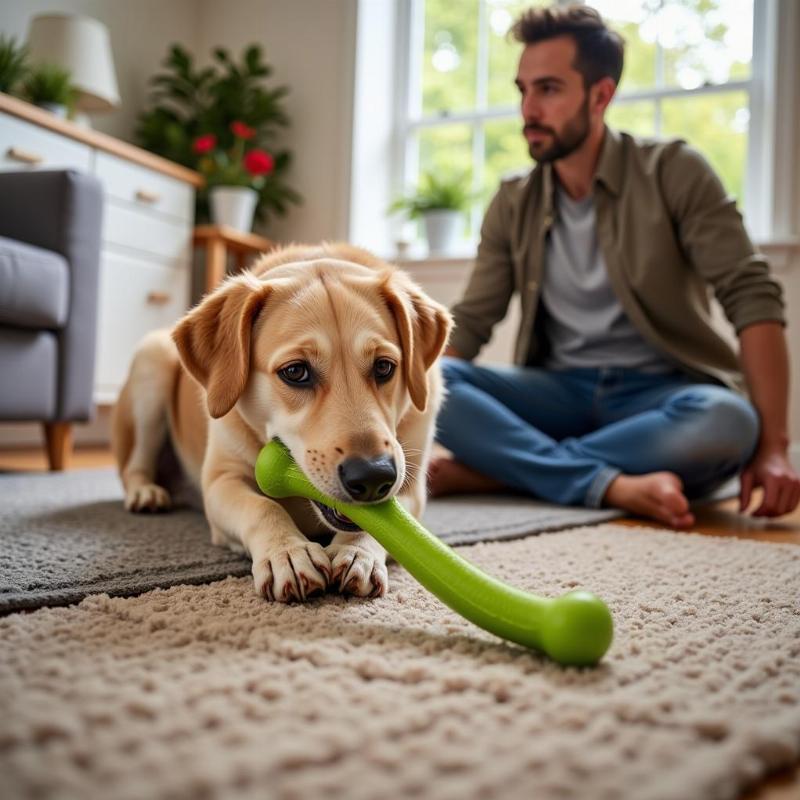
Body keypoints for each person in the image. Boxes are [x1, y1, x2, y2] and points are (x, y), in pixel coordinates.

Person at [429, 3, 800, 528]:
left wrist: (776, 447)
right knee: (432, 378)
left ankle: (508, 470)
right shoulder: (512, 200)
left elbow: (752, 295)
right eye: (523, 90)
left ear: (600, 95)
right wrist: (418, 390)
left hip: (661, 395)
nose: (528, 109)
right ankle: (605, 480)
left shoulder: (675, 170)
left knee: (728, 422)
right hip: (557, 391)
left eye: (549, 89)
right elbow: (470, 320)